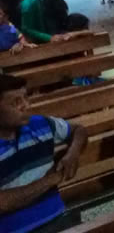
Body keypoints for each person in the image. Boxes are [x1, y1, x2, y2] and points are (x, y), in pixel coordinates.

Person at [0, 74, 88, 233]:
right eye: (16, 102)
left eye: (26, 98)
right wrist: (51, 180)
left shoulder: (40, 124)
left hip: (57, 217)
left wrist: (72, 154)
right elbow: (3, 203)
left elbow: (79, 130)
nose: (26, 105)